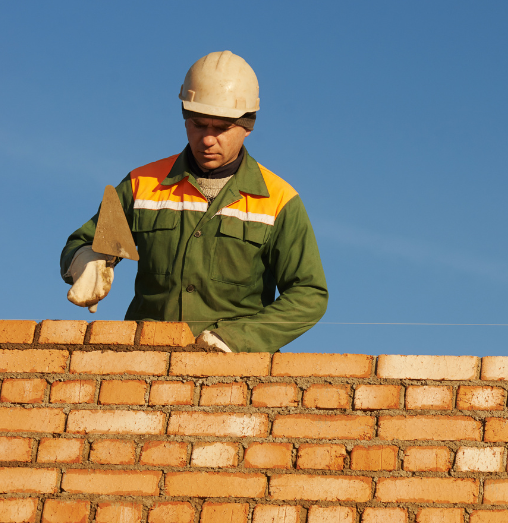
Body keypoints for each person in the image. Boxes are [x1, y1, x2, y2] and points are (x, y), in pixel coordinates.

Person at [61, 51, 328, 353]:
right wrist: (86, 260)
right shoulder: (141, 185)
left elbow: (308, 294)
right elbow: (85, 243)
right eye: (199, 125)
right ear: (185, 116)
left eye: (222, 129)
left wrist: (239, 339)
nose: (207, 139)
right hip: (144, 364)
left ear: (248, 126)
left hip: (235, 373)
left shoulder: (278, 200)